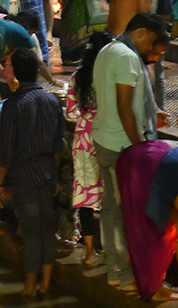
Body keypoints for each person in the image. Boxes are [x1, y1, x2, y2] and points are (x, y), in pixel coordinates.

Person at [92, 12, 170, 292]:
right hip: (120, 146)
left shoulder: (108, 49)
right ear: (141, 33)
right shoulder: (126, 56)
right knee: (125, 214)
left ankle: (116, 270)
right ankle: (124, 274)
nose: (150, 50)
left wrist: (151, 115)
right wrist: (140, 147)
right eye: (150, 42)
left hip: (106, 138)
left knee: (112, 209)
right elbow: (124, 106)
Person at [0, 48, 64, 298]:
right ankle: (45, 284)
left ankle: (29, 286)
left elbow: (6, 150)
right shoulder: (52, 101)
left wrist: (0, 183)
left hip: (24, 175)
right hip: (47, 172)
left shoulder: (13, 105)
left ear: (16, 73)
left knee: (30, 231)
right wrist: (55, 176)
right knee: (47, 229)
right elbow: (58, 144)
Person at [67, 30, 110, 267]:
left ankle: (90, 252)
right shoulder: (108, 76)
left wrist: (86, 117)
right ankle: (111, 253)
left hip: (83, 140)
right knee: (109, 195)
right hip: (106, 136)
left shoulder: (78, 76)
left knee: (84, 195)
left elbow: (71, 113)